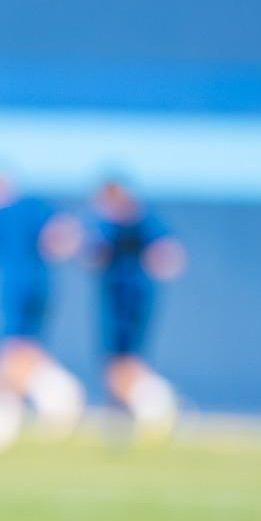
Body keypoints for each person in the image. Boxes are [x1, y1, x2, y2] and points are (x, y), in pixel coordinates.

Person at [0, 169, 85, 451]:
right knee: (20, 347)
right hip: (41, 282)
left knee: (12, 348)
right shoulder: (35, 206)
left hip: (12, 283)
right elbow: (64, 233)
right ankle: (4, 415)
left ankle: (53, 390)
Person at [81, 178, 184, 439]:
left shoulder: (129, 221)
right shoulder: (128, 221)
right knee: (122, 358)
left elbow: (167, 251)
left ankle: (157, 401)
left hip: (126, 296)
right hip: (125, 295)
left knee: (120, 360)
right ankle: (121, 416)